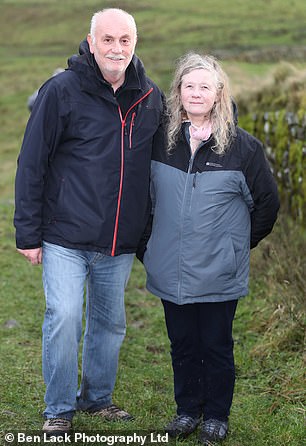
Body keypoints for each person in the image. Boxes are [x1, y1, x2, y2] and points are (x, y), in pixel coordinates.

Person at [14, 8, 164, 436]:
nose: (117, 48)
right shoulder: (61, 91)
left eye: (125, 40)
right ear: (91, 41)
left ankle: (97, 399)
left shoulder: (149, 97)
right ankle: (59, 408)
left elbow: (162, 164)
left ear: (135, 44)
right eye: (109, 39)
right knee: (64, 315)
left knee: (110, 324)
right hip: (64, 233)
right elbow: (31, 163)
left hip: (119, 239)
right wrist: (28, 232)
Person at [139, 53, 280, 444]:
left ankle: (216, 415)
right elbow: (143, 200)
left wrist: (236, 247)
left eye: (205, 86)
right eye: (189, 86)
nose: (196, 93)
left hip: (219, 271)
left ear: (219, 93)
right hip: (169, 269)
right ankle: (187, 411)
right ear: (178, 93)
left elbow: (267, 205)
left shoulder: (243, 148)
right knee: (182, 344)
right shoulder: (160, 142)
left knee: (215, 345)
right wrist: (148, 246)